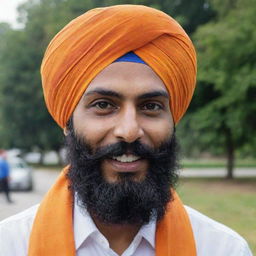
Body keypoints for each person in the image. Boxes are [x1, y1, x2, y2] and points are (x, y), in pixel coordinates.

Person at [0, 5, 252, 256]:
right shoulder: (10, 245)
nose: (129, 131)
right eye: (103, 105)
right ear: (67, 122)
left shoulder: (222, 248)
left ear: (173, 120)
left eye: (151, 106)